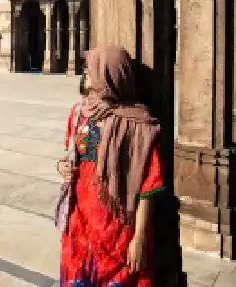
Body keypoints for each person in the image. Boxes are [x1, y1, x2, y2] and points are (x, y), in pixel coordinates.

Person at [56, 46, 164, 286]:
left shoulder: (138, 124)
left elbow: (148, 187)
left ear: (110, 76)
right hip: (80, 224)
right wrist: (62, 167)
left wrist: (139, 238)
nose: (85, 73)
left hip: (118, 230)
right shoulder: (79, 114)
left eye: (91, 69)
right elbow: (69, 156)